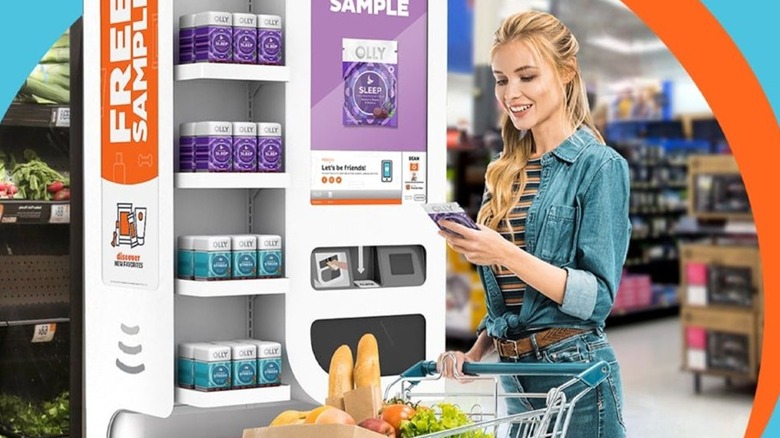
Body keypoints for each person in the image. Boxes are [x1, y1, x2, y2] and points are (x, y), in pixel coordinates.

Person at [436, 11, 631, 438]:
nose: (511, 93)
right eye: (501, 80)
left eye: (527, 76)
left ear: (566, 72)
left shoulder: (600, 167)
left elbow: (597, 298)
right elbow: (511, 302)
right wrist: (475, 351)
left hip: (576, 376)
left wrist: (504, 252)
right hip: (514, 377)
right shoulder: (503, 171)